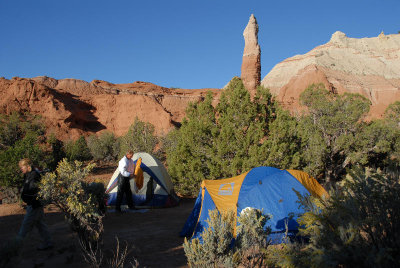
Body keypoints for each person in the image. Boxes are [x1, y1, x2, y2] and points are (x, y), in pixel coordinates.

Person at [17, 158, 53, 250]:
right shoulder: (28, 175)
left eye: (22, 167)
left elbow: (33, 190)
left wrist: (29, 199)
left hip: (34, 204)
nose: (21, 169)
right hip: (35, 204)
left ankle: (15, 246)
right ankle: (48, 243)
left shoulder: (33, 175)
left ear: (27, 166)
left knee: (25, 225)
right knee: (40, 224)